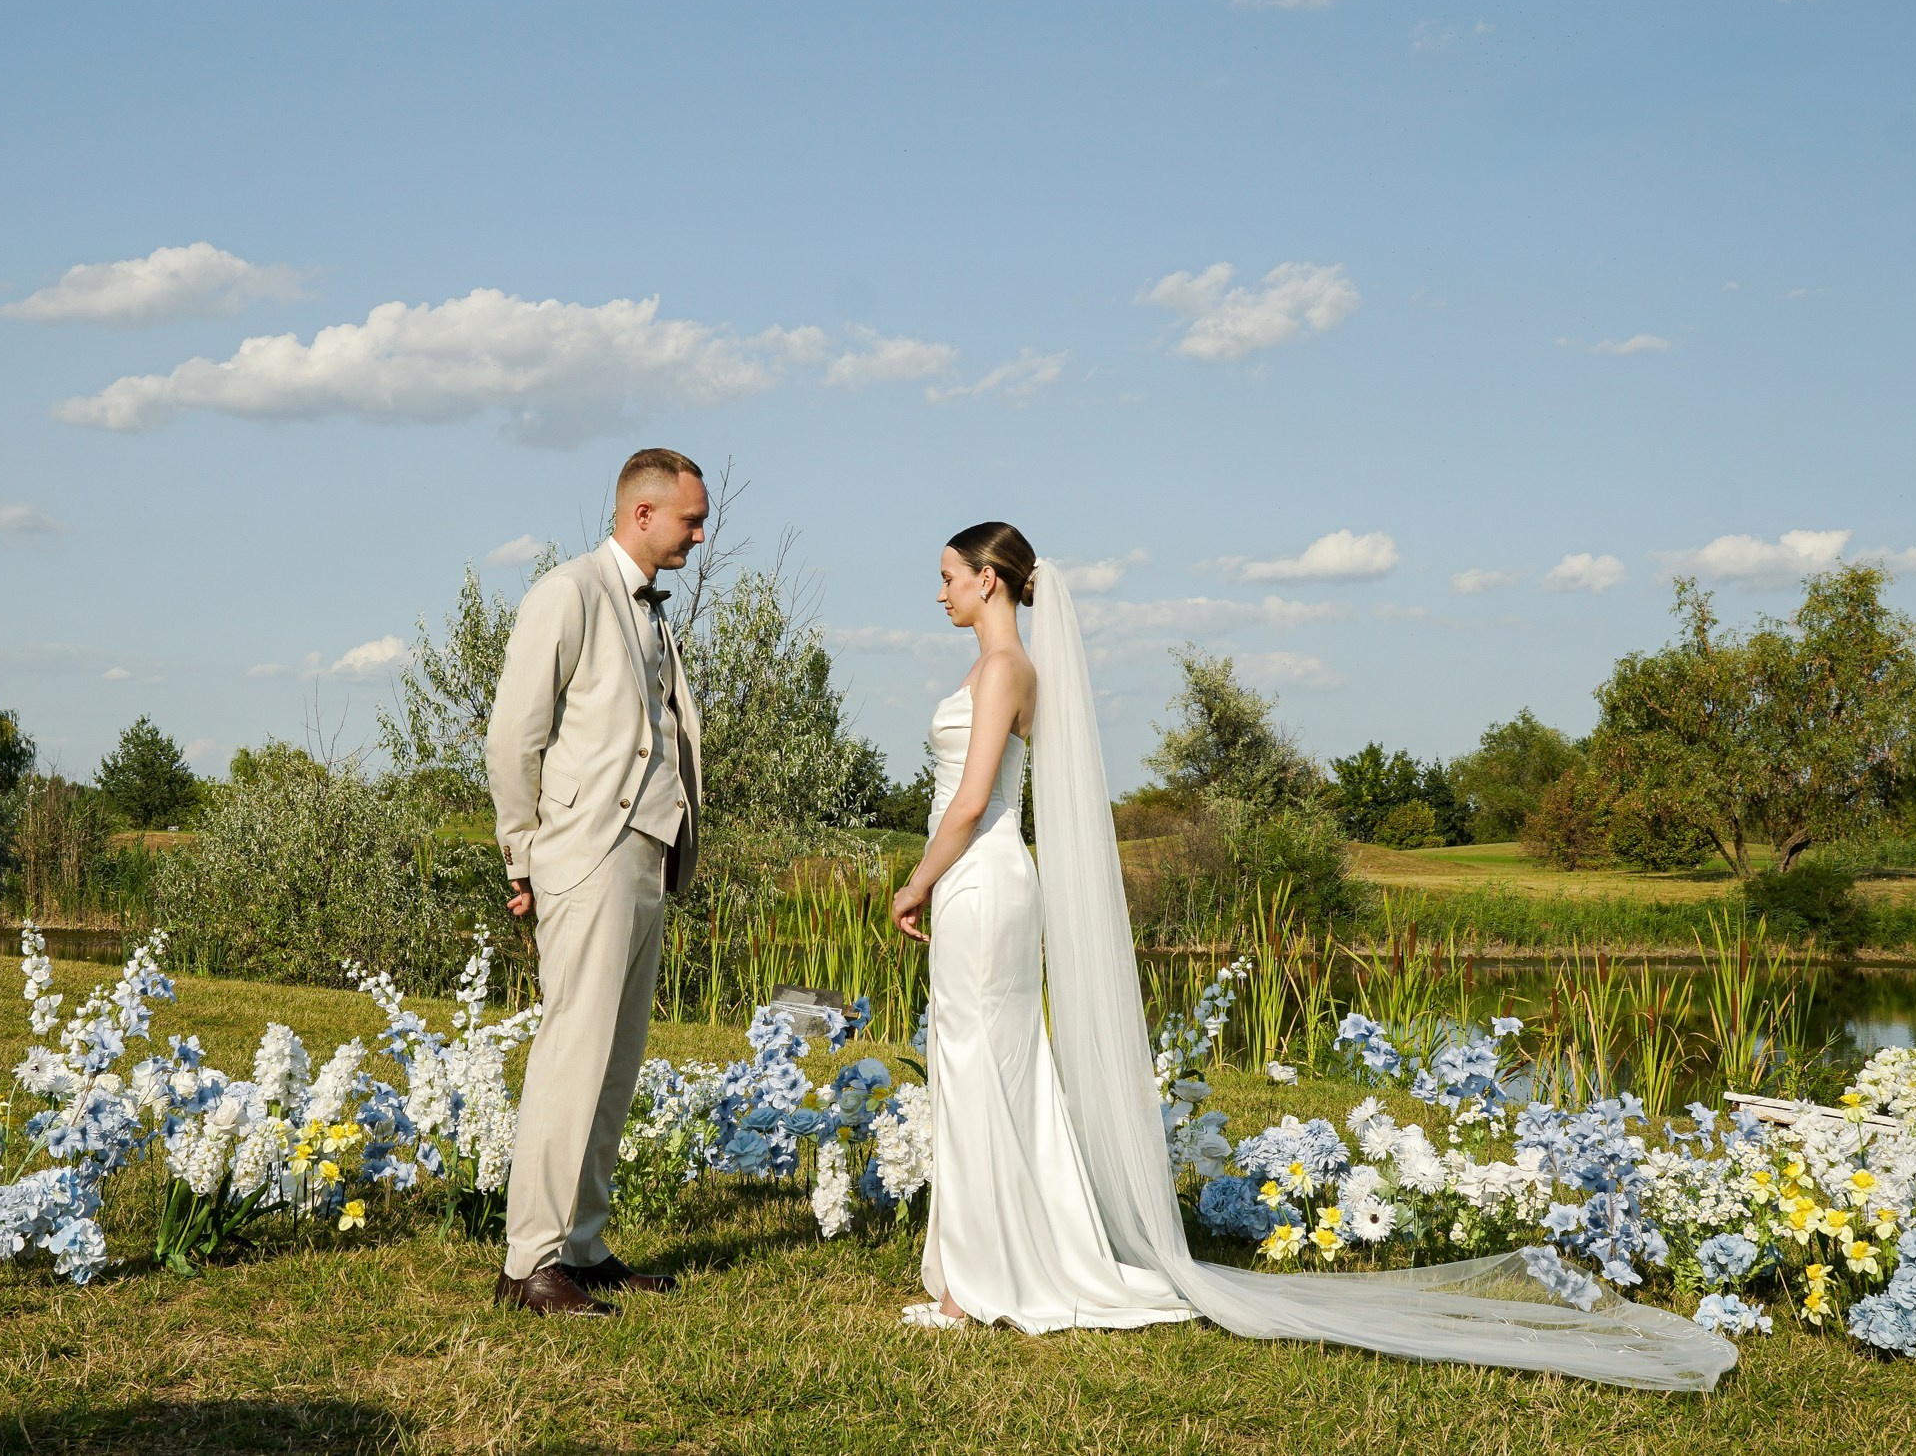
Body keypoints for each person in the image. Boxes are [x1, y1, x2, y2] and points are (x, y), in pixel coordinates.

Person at [887, 521, 1737, 1391]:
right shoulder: (1008, 668)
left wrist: (915, 882)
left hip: (979, 879)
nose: (941, 591)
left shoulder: (1004, 669)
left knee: (980, 1060)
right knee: (989, 1063)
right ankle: (985, 1264)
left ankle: (979, 1280)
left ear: (990, 580)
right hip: (987, 880)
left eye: (950, 576)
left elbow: (971, 802)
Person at [484, 447, 707, 1316]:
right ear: (642, 513)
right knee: (572, 1054)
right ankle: (529, 1262)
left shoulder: (651, 610)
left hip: (649, 853)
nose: (699, 534)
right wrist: (524, 853)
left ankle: (581, 1242)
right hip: (588, 853)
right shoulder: (568, 591)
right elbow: (513, 736)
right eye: (691, 519)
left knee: (616, 1059)